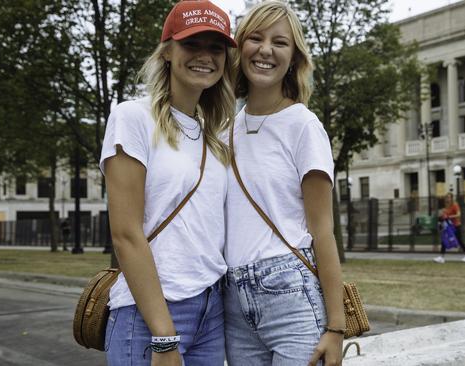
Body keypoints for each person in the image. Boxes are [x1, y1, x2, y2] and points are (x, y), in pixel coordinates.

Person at [99, 1, 236, 365]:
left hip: (211, 311)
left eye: (216, 48)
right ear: (167, 51)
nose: (205, 56)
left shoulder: (215, 135)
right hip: (150, 315)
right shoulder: (133, 117)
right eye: (192, 44)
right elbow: (126, 235)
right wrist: (164, 336)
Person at [224, 1, 345, 365]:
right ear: (240, 46)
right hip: (231, 303)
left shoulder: (303, 126)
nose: (265, 50)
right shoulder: (223, 130)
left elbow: (323, 231)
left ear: (293, 58)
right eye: (255, 38)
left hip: (291, 296)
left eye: (280, 42)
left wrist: (336, 328)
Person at [433, 192, 465, 263]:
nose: (447, 199)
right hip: (448, 227)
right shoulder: (446, 206)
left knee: (460, 240)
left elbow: (458, 215)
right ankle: (441, 257)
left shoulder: (455, 205)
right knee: (444, 241)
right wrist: (441, 218)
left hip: (456, 226)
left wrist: (449, 216)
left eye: (449, 197)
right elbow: (444, 216)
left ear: (451, 198)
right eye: (446, 197)